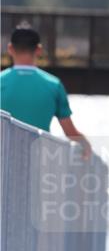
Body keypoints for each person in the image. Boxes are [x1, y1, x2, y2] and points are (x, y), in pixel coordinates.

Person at [1, 23, 91, 157]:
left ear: (10, 48)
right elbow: (69, 132)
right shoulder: (54, 85)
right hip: (39, 162)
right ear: (38, 50)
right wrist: (86, 145)